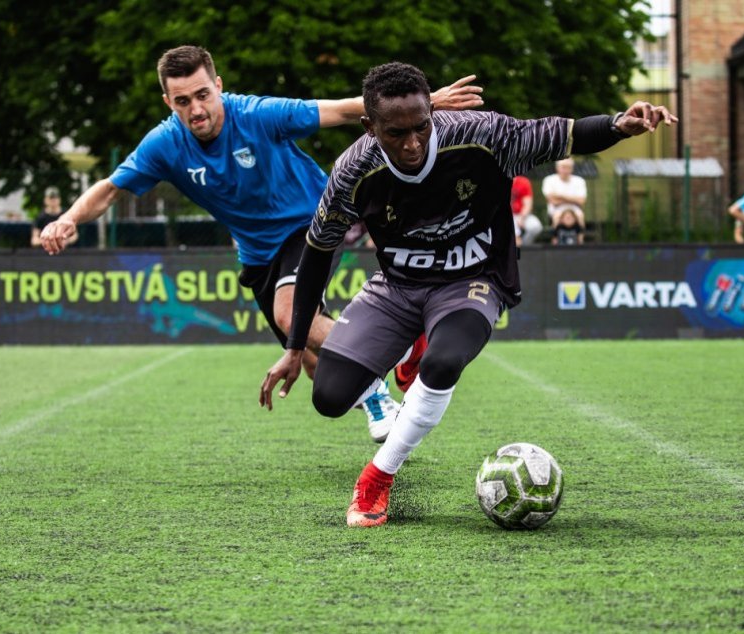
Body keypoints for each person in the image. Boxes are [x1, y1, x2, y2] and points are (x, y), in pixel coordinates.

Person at [259, 62, 676, 527]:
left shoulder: (480, 134)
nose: (413, 143)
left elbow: (563, 134)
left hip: (472, 281)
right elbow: (317, 254)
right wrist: (295, 347)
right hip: (398, 287)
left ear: (432, 113)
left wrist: (619, 124)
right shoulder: (353, 170)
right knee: (330, 397)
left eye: (422, 127)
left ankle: (377, 477)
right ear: (369, 126)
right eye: (396, 133)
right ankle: (412, 342)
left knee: (443, 362)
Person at [39, 46, 481, 443]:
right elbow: (111, 187)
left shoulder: (256, 115)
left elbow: (339, 111)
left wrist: (428, 103)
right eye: (182, 101)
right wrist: (69, 217)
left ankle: (391, 362)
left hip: (313, 221)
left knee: (291, 315)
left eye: (202, 95)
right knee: (313, 363)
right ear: (168, 103)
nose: (196, 109)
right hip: (257, 255)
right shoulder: (165, 145)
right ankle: (389, 367)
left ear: (218, 86)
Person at [541, 157, 587, 229]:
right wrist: (573, 199)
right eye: (563, 167)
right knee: (557, 216)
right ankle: (555, 238)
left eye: (568, 167)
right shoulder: (549, 180)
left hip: (574, 209)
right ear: (557, 168)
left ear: (572, 168)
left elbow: (581, 201)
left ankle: (580, 239)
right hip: (556, 209)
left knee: (580, 215)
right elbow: (553, 201)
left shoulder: (580, 181)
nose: (566, 170)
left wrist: (559, 195)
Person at [510, 175, 541, 246]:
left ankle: (524, 247)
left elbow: (527, 204)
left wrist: (522, 217)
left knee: (535, 227)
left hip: (520, 214)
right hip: (504, 216)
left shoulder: (523, 182)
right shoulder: (497, 182)